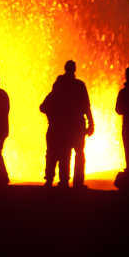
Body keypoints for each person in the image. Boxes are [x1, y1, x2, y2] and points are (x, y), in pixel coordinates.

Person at [40, 60, 94, 188]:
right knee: (77, 153)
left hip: (61, 126)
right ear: (74, 70)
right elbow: (86, 106)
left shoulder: (59, 86)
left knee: (61, 153)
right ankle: (76, 182)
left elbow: (43, 106)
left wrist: (53, 117)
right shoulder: (79, 85)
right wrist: (91, 123)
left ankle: (57, 180)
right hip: (76, 126)